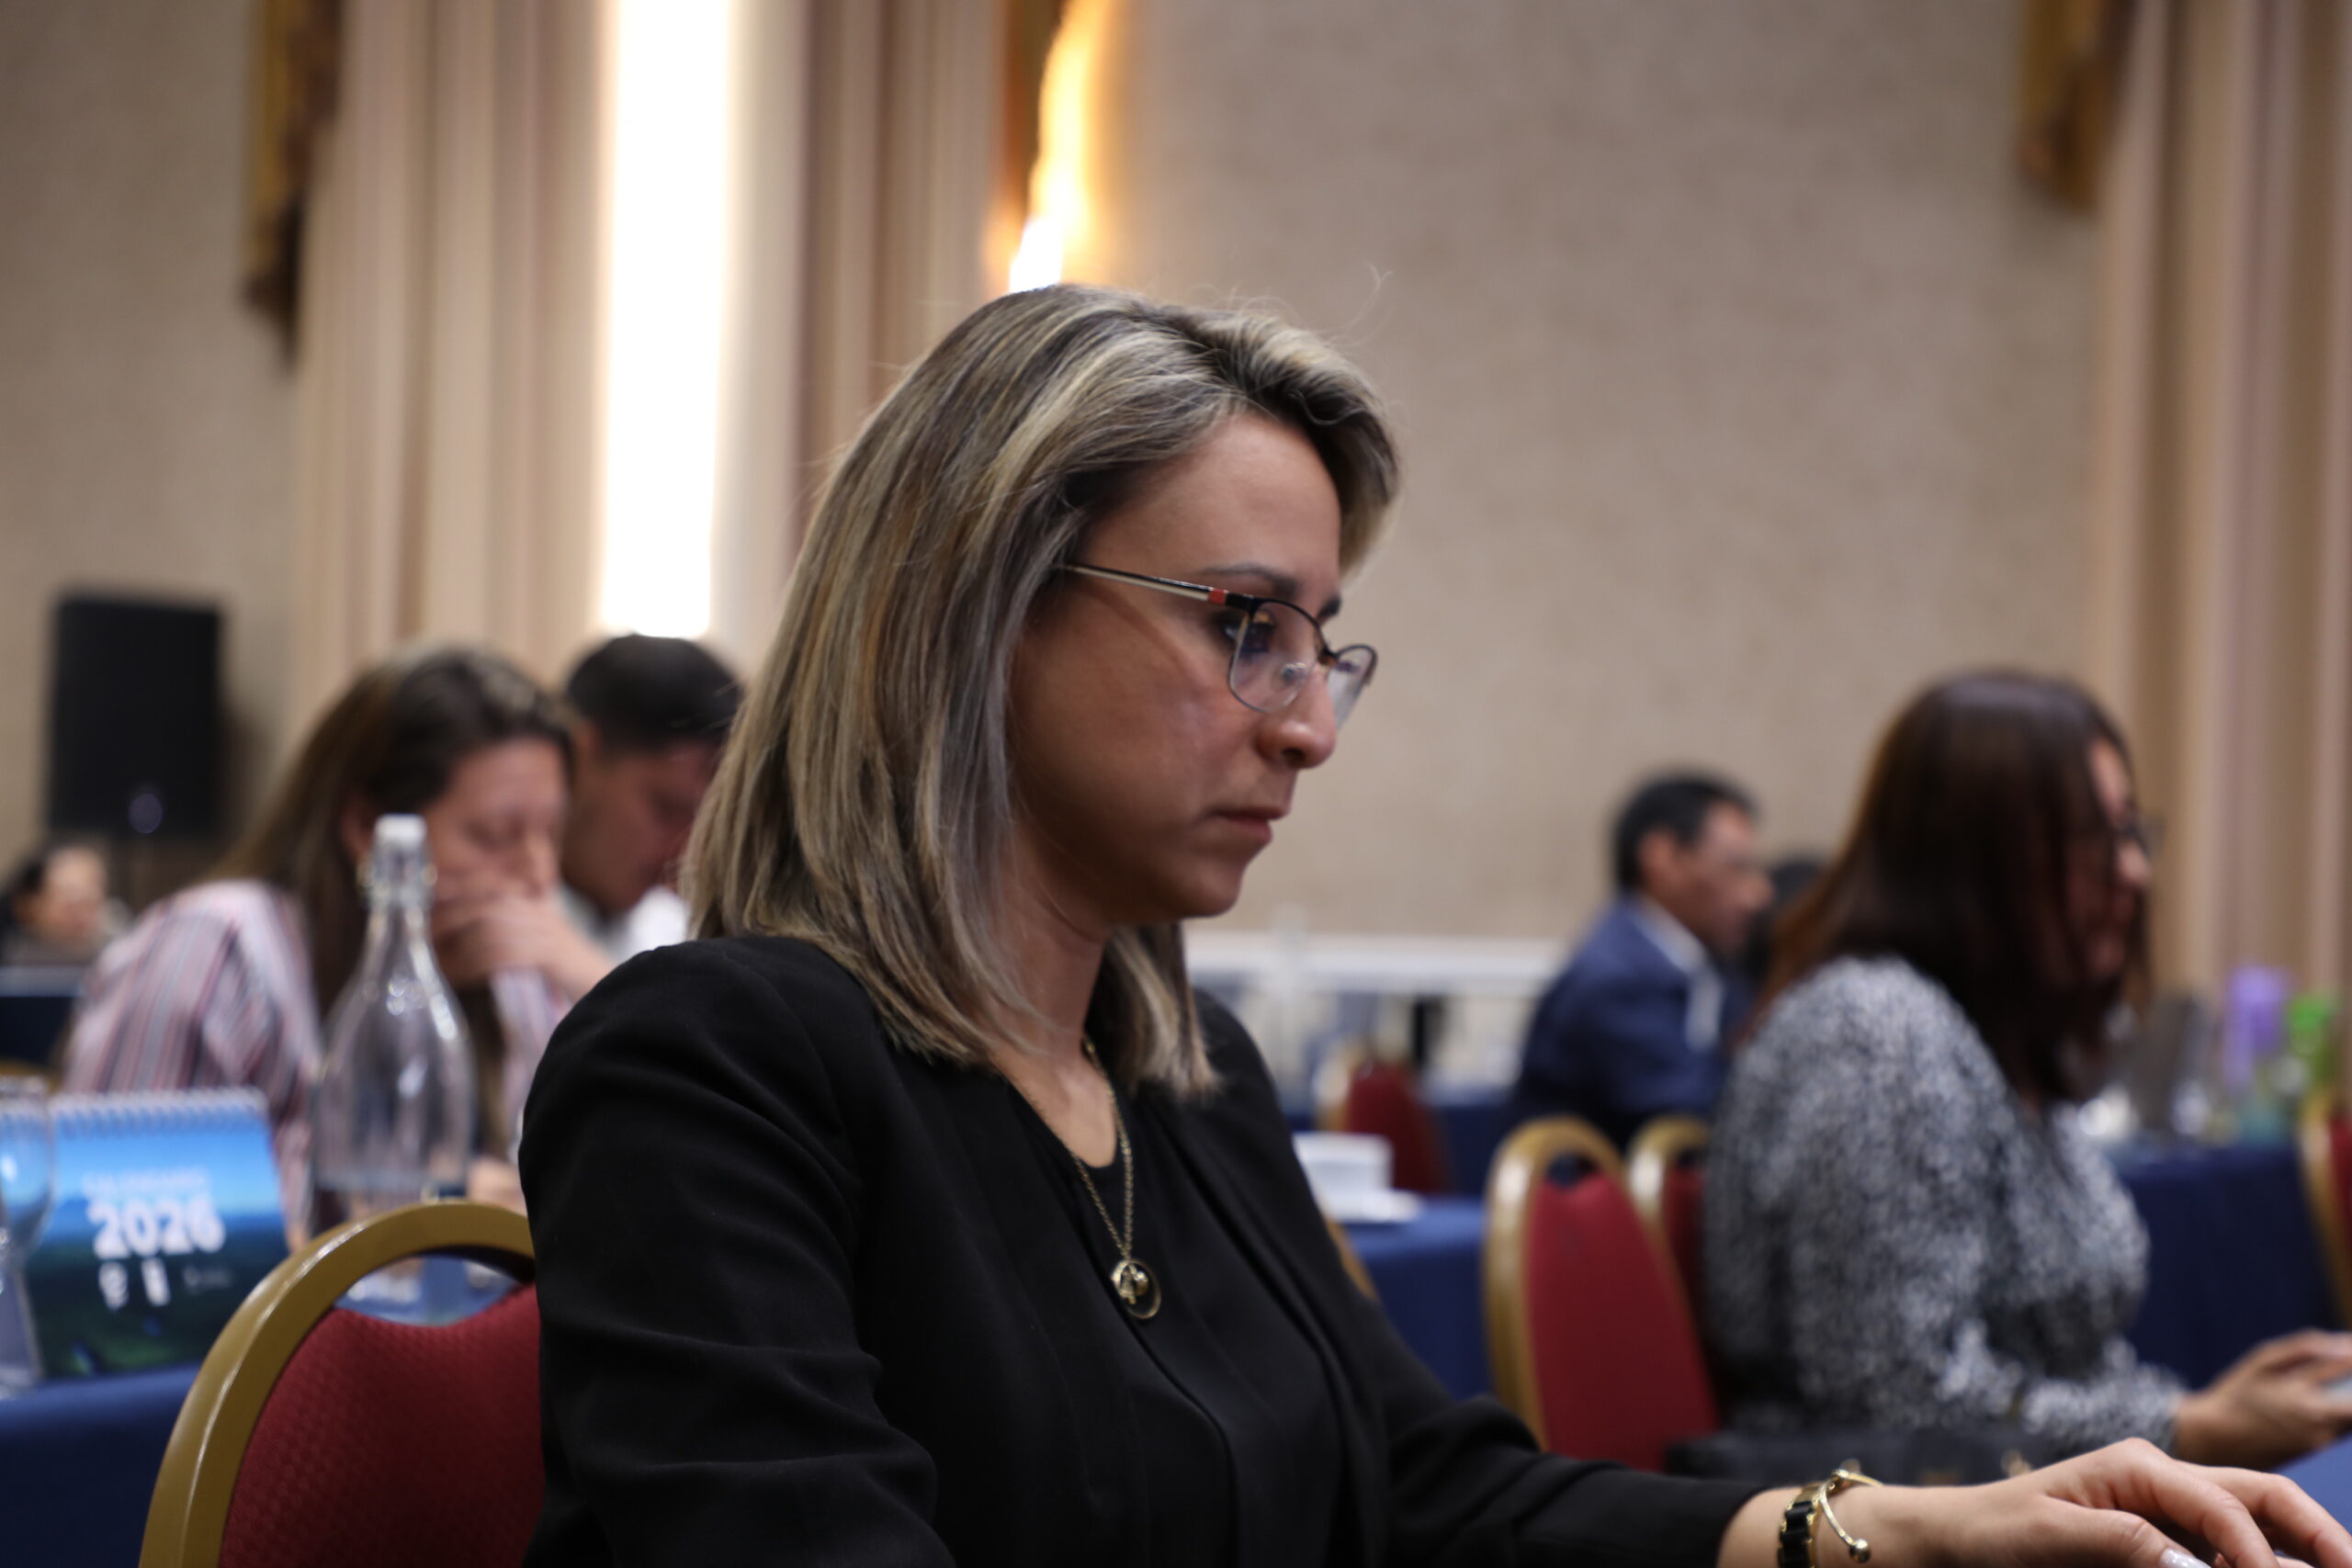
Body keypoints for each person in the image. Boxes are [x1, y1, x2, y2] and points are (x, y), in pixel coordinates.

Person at [518, 287, 2348, 1568]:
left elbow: (1424, 1489)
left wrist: (1889, 1527)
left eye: (1322, 647)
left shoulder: (1182, 1074)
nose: (1309, 724)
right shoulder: (713, 1064)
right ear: (975, 602)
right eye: (1244, 626)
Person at [1705, 671, 2352, 1471]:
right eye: (2096, 838)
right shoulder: (1877, 1035)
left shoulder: (1987, 1031)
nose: (2134, 870)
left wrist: (2210, 1411)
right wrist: (2189, 1427)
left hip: (2033, 1502)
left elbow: (2056, 1370)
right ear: (1978, 856)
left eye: (2132, 832)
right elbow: (1902, 1401)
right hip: (1884, 1516)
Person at [60, 646, 605, 1221]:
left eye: (554, 834)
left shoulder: (520, 978)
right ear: (369, 827)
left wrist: (600, 985)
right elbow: (106, 1207)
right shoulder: (217, 947)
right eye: (494, 835)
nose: (540, 876)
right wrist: (415, 1206)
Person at [1508, 773, 1771, 1146]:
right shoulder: (1612, 980)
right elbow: (1706, 1110)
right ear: (1662, 858)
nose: (1758, 894)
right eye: (1735, 868)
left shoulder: (1709, 965)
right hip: (1604, 1181)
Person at [556, 634, 739, 963]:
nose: (682, 853)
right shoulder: (480, 932)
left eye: (703, 824)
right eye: (666, 810)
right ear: (579, 758)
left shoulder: (682, 939)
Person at [1, 841, 119, 965]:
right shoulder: (12, 963)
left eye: (90, 904)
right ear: (30, 905)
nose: (81, 918)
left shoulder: (115, 956)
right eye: (71, 906)